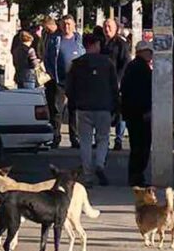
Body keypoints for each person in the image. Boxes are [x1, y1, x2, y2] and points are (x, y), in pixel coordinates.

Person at [65, 33, 119, 186]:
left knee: (85, 141)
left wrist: (74, 103)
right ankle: (100, 164)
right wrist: (115, 106)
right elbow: (114, 87)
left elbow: (69, 88)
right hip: (104, 107)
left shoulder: (76, 64)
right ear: (96, 44)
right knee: (103, 139)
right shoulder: (108, 63)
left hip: (83, 108)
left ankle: (88, 175)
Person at [44, 14, 84, 148]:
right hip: (59, 80)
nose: (66, 26)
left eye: (69, 24)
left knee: (74, 110)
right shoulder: (55, 40)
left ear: (73, 26)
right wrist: (51, 74)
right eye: (64, 24)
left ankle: (75, 137)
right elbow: (47, 58)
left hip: (76, 81)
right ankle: (56, 137)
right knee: (57, 110)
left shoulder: (78, 40)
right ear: (60, 26)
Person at [121, 40, 153, 187]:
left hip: (132, 112)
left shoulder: (132, 67)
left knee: (137, 146)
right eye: (149, 52)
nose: (151, 55)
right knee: (142, 146)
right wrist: (146, 110)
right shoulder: (141, 69)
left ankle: (135, 175)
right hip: (140, 113)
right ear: (143, 52)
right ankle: (136, 175)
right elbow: (142, 93)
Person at [101, 17, 131, 150]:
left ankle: (118, 139)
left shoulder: (121, 44)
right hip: (103, 83)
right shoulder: (101, 43)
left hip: (118, 82)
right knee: (104, 112)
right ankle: (103, 139)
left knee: (120, 113)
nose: (107, 30)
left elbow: (126, 63)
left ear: (116, 29)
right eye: (105, 27)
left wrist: (119, 80)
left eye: (110, 27)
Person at [10, 19, 34, 88]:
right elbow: (34, 63)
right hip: (29, 74)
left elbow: (12, 51)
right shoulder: (31, 38)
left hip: (19, 72)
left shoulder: (16, 37)